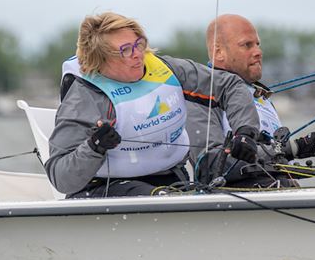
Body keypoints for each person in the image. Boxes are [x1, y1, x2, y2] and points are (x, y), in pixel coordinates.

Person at [46, 12, 261, 198]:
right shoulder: (84, 100)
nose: (138, 55)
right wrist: (94, 146)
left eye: (139, 44)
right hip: (106, 188)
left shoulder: (166, 70)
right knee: (162, 197)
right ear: (100, 59)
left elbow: (229, 85)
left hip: (169, 178)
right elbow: (61, 177)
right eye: (126, 50)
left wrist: (245, 131)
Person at [186, 13, 315, 188]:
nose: (258, 52)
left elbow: (272, 155)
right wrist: (293, 148)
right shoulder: (202, 95)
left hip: (279, 193)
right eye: (246, 45)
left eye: (257, 44)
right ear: (219, 53)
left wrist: (299, 148)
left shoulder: (261, 97)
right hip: (240, 203)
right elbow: (208, 166)